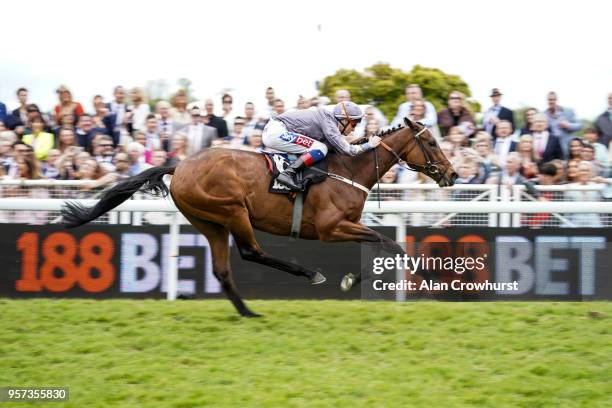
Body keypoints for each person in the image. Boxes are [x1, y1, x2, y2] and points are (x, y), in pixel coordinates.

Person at [262, 101, 381, 190]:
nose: (354, 130)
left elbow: (337, 148)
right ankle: (287, 174)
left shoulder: (329, 122)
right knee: (320, 148)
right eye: (354, 125)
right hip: (276, 132)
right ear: (344, 120)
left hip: (275, 131)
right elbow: (348, 150)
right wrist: (369, 145)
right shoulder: (329, 124)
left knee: (321, 148)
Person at [543, 92, 581, 158]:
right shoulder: (544, 114)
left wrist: (568, 125)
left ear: (556, 100)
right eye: (549, 100)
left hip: (567, 147)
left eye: (553, 99)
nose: (551, 101)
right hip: (552, 148)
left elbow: (579, 126)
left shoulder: (568, 111)